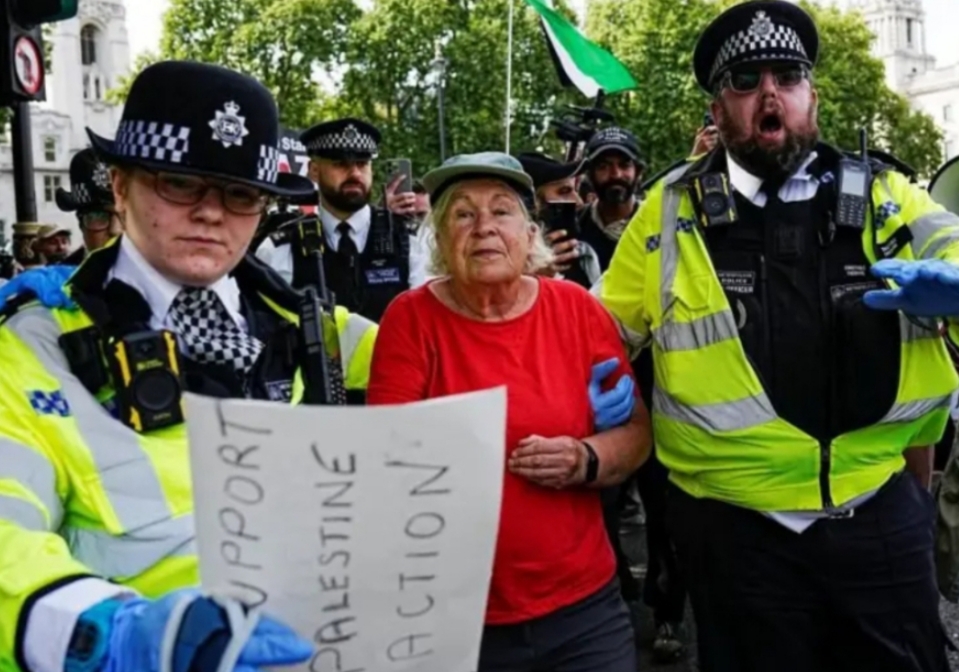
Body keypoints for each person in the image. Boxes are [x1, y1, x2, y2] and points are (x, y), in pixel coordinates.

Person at [599, 2, 959, 671]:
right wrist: (600, 381)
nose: (769, 92)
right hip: (735, 535)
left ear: (811, 96)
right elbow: (598, 333)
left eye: (787, 76)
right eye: (745, 80)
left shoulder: (886, 195)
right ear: (717, 111)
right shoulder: (667, 210)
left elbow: (954, 247)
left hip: (876, 514)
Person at [0, 60, 382, 672]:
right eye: (180, 183)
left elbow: (439, 352)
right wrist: (110, 635)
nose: (211, 213)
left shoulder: (306, 323)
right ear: (119, 187)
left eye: (240, 194)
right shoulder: (32, 347)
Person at [368, 152, 652, 672]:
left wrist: (586, 459)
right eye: (463, 214)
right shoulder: (410, 320)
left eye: (501, 211)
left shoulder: (577, 309)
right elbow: (387, 459)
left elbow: (636, 432)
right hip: (458, 615)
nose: (484, 227)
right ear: (440, 238)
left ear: (529, 233)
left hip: (583, 609)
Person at [256, 118, 426, 321]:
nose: (354, 173)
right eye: (340, 164)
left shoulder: (411, 240)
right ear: (314, 170)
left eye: (362, 164)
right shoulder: (281, 248)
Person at [516, 151, 602, 287]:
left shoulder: (583, 255)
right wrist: (530, 278)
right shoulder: (498, 263)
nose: (579, 201)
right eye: (564, 192)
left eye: (575, 190)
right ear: (531, 204)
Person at [576, 127, 646, 273]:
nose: (616, 174)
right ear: (590, 174)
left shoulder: (656, 224)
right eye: (603, 167)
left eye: (624, 165)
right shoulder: (576, 227)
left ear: (638, 172)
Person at [56, 148, 123, 264]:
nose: (115, 230)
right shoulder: (63, 275)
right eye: (99, 216)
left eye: (127, 216)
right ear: (80, 224)